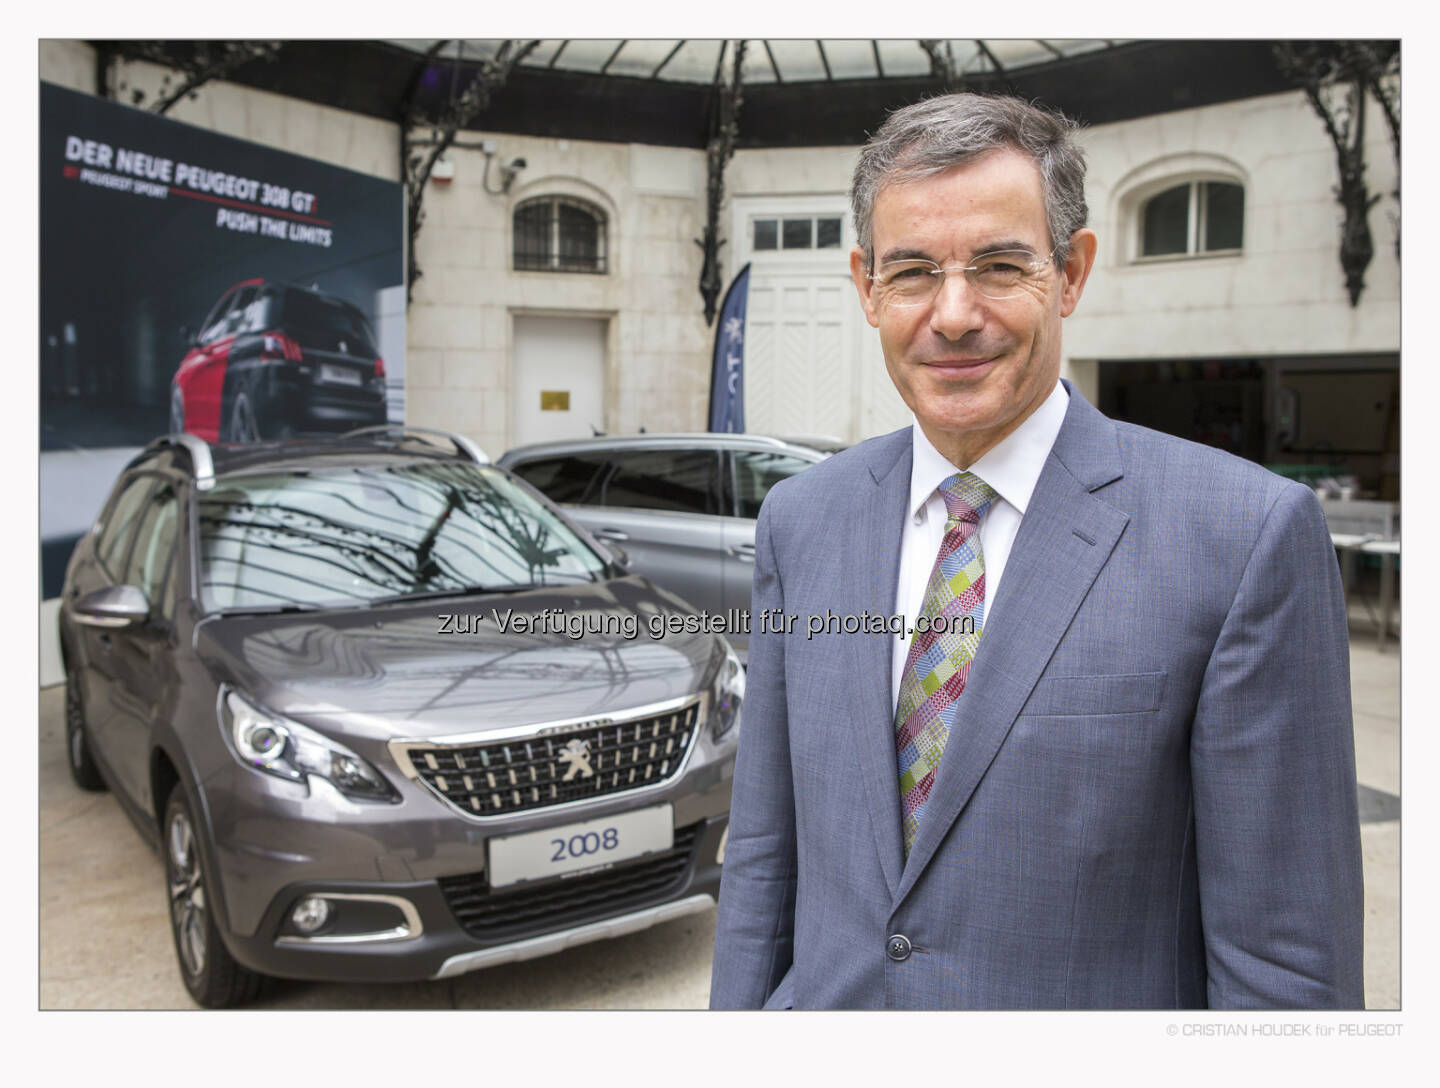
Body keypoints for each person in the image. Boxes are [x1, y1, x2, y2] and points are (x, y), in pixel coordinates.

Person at [709, 93, 1364, 1010]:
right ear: (865, 287)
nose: (953, 313)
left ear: (1072, 272)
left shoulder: (1242, 537)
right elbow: (764, 867)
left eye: (999, 265)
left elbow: (1284, 967)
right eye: (910, 272)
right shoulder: (800, 521)